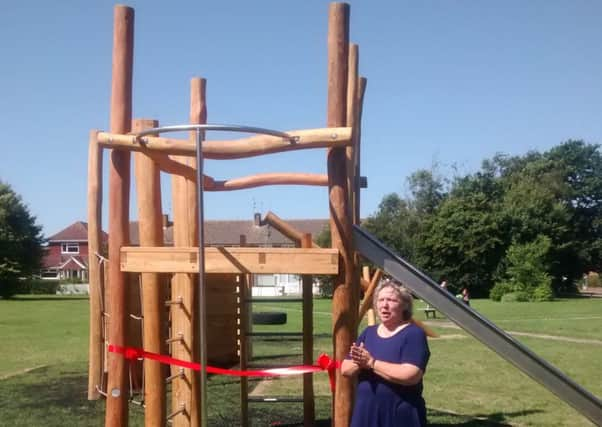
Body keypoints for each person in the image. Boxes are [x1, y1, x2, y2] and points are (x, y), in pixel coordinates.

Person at [341, 280, 430, 427]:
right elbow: (345, 369)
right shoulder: (368, 333)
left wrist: (371, 363)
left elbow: (411, 375)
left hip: (399, 415)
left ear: (404, 305)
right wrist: (360, 362)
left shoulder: (413, 334)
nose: (384, 305)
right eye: (381, 300)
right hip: (366, 414)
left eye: (391, 300)